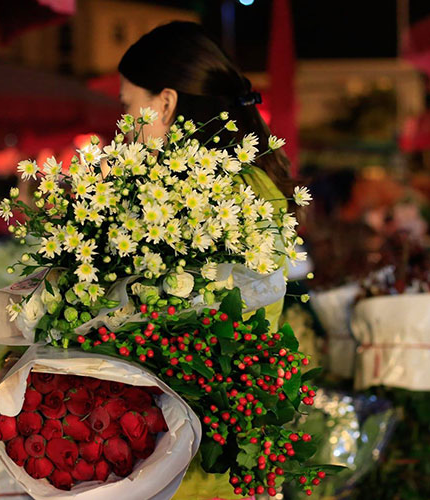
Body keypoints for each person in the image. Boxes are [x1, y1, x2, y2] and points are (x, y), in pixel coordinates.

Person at [118, 21, 292, 500]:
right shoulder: (254, 182)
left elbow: (160, 323)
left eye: (129, 107)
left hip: (190, 458)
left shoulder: (199, 196)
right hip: (235, 443)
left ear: (167, 103)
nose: (125, 126)